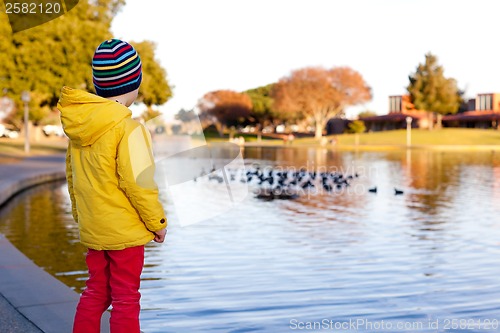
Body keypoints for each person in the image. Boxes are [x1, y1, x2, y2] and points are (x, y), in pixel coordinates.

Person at [57, 39, 167, 333]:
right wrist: (157, 222)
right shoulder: (130, 129)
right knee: (126, 297)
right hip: (124, 234)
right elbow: (139, 183)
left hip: (95, 229)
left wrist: (82, 219)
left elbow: (73, 179)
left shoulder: (79, 130)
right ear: (134, 84)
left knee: (95, 292)